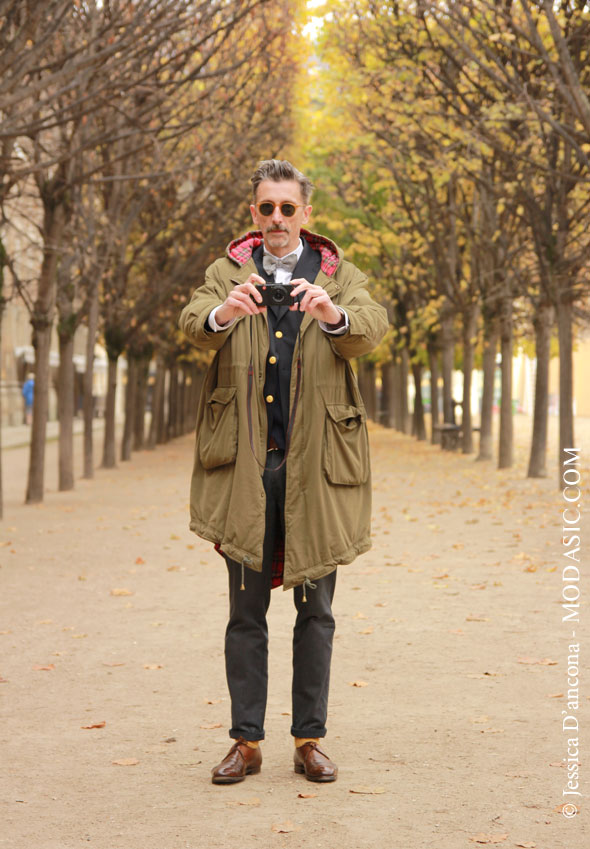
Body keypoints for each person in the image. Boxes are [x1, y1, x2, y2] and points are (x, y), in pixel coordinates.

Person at [178, 159, 388, 785]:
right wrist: (224, 314)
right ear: (253, 214)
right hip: (245, 464)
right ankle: (246, 743)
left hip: (317, 469)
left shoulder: (338, 275)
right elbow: (192, 323)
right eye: (265, 208)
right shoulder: (225, 273)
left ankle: (309, 738)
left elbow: (372, 327)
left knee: (315, 611)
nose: (275, 218)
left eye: (287, 208)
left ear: (305, 214)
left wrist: (332, 314)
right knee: (245, 613)